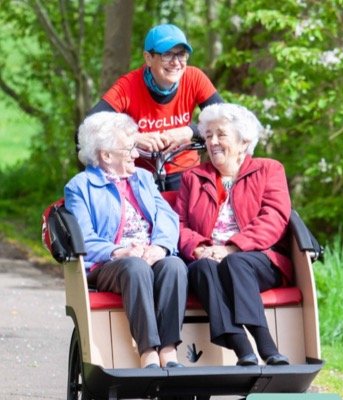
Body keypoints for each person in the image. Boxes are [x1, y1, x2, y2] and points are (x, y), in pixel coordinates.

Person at [64, 111, 188, 369]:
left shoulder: (142, 178)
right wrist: (121, 251)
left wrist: (160, 247)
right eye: (129, 148)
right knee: (135, 266)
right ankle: (147, 351)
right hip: (109, 264)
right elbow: (84, 237)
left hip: (148, 253)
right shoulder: (80, 186)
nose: (136, 155)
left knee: (174, 265)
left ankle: (168, 349)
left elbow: (167, 216)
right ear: (106, 155)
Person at [175, 103, 292, 366]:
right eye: (208, 136)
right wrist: (198, 248)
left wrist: (231, 248)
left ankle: (265, 343)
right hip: (207, 258)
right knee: (202, 267)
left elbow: (274, 218)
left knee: (234, 263)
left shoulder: (269, 169)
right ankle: (242, 348)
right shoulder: (193, 178)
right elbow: (179, 223)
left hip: (256, 258)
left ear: (244, 141)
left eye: (221, 135)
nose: (213, 142)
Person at [88, 23, 223, 190]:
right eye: (167, 55)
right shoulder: (128, 87)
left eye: (181, 54)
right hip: (138, 176)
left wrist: (189, 131)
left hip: (185, 170)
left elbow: (227, 121)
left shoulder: (194, 78)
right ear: (148, 58)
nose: (176, 62)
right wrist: (133, 138)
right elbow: (88, 127)